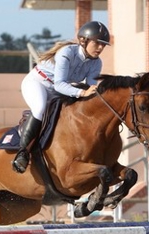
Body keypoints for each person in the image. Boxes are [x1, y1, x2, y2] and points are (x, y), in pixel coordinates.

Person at [12, 21, 110, 173]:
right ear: (84, 40)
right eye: (97, 43)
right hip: (38, 82)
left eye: (103, 45)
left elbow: (90, 88)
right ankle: (22, 153)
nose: (100, 48)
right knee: (39, 109)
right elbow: (60, 84)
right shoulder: (67, 52)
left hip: (61, 90)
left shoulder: (96, 63)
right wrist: (82, 93)